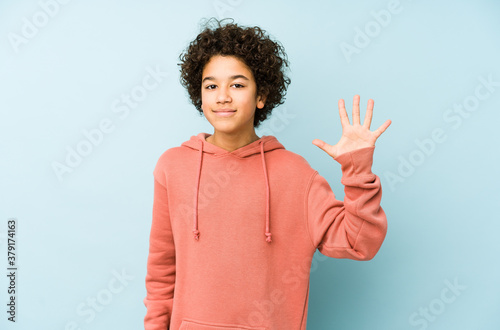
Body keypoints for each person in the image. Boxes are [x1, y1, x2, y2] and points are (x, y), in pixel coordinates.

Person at [143, 17, 391, 330]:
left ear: (261, 96)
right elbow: (162, 271)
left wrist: (356, 169)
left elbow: (360, 243)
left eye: (237, 84)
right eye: (211, 85)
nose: (222, 96)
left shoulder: (294, 173)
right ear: (200, 95)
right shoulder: (172, 166)